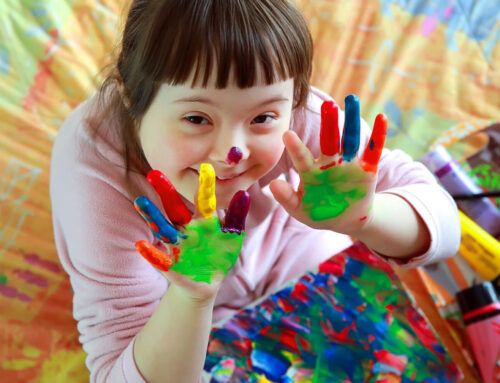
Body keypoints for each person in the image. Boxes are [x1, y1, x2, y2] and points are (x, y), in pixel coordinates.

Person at [49, 0, 461, 382]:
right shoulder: (93, 174)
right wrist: (191, 295)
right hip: (178, 319)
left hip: (299, 257)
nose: (233, 152)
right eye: (196, 118)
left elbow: (445, 226)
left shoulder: (301, 118)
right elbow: (115, 371)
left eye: (263, 116)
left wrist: (367, 217)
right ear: (129, 95)